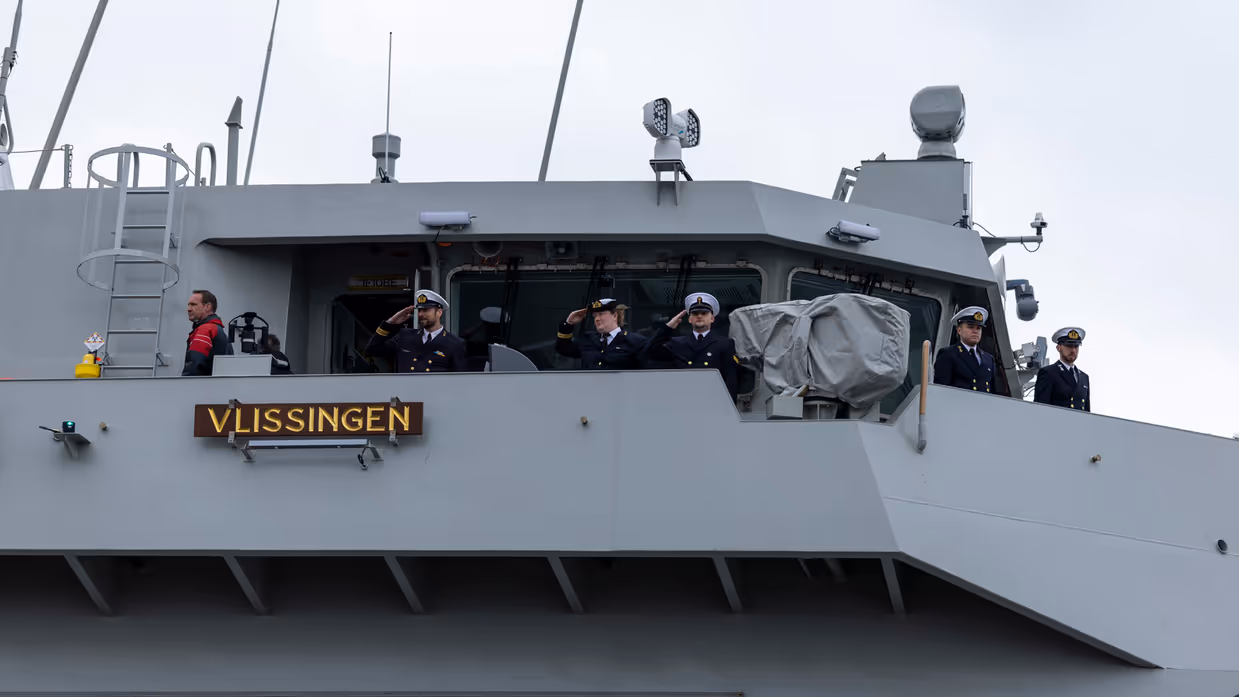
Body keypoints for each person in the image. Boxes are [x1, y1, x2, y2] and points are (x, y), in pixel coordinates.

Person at [644, 292, 740, 400]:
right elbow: (650, 353)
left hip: (712, 401)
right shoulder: (677, 343)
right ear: (689, 319)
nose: (699, 316)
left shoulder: (725, 344)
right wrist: (668, 328)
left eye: (704, 313)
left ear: (712, 319)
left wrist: (728, 408)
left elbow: (731, 379)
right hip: (683, 400)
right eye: (695, 314)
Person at [364, 289, 468, 373]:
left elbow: (459, 380)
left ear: (439, 312)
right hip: (408, 397)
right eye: (419, 310)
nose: (420, 314)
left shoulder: (455, 343)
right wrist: (391, 322)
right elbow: (372, 350)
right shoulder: (404, 336)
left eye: (426, 310)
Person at [556, 298, 647, 370]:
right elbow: (563, 348)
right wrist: (568, 324)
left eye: (601, 314)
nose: (597, 319)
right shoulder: (588, 339)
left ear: (615, 316)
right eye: (595, 316)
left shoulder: (635, 341)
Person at [932, 306, 996, 393]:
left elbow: (993, 392)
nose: (975, 331)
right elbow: (941, 389)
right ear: (959, 330)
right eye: (970, 327)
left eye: (978, 328)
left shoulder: (989, 359)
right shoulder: (948, 354)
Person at [1034, 327, 1090, 411]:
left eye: (1076, 346)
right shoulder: (1048, 373)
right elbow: (1040, 409)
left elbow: (1087, 412)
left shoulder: (1084, 377)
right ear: (1059, 347)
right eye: (1069, 346)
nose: (1073, 350)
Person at [182, 289, 233, 376]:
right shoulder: (219, 330)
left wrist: (184, 384)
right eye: (188, 305)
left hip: (199, 386)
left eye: (193, 304)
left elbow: (195, 364)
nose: (188, 309)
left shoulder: (206, 330)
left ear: (207, 307)